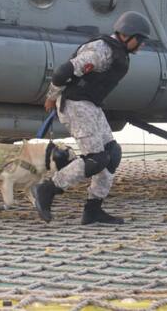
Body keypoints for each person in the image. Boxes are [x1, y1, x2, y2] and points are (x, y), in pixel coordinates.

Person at [33, 11, 152, 225]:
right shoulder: (101, 51)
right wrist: (51, 97)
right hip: (76, 104)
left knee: (112, 154)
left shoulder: (118, 51)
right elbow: (63, 72)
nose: (142, 45)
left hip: (90, 105)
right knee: (95, 160)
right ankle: (47, 189)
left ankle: (93, 210)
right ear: (127, 35)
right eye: (140, 40)